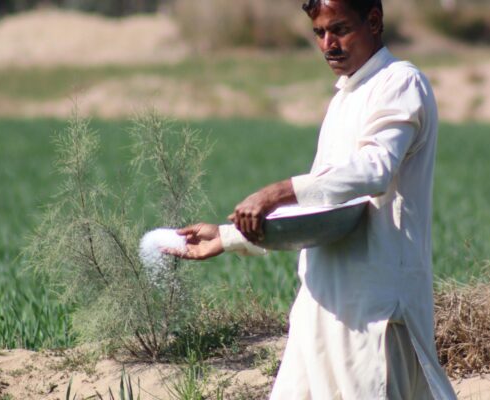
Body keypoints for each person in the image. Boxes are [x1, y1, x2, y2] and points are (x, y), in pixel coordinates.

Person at [165, 0, 457, 398]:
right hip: (320, 304)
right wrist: (229, 235)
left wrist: (276, 191)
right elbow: (322, 205)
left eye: (339, 29)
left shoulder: (400, 83)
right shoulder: (344, 99)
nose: (328, 44)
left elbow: (374, 169)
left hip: (376, 310)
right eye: (319, 32)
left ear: (373, 20)